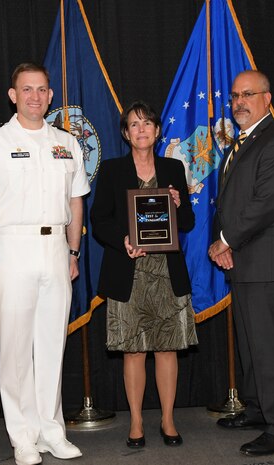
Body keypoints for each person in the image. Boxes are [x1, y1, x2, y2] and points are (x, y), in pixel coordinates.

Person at [0, 62, 88, 465]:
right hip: (10, 248)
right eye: (26, 90)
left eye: (42, 90)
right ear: (13, 95)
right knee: (14, 349)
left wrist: (72, 252)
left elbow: (76, 200)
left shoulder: (67, 142)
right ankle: (23, 436)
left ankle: (51, 430)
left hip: (55, 250)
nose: (35, 97)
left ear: (50, 96)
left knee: (51, 345)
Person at [91, 101, 198, 449]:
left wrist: (179, 203)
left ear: (156, 131)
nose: (141, 130)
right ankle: (136, 422)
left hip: (166, 272)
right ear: (126, 133)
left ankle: (168, 419)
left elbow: (187, 224)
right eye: (134, 125)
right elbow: (99, 221)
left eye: (147, 124)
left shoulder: (172, 168)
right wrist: (123, 241)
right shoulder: (110, 171)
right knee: (133, 352)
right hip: (129, 271)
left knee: (167, 349)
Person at [208, 70, 274, 456]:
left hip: (268, 265)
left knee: (271, 349)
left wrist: (226, 240)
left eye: (247, 94)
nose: (238, 103)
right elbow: (230, 201)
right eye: (234, 96)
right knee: (251, 346)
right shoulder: (242, 142)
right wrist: (226, 243)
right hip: (245, 263)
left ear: (267, 97)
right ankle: (261, 409)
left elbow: (266, 203)